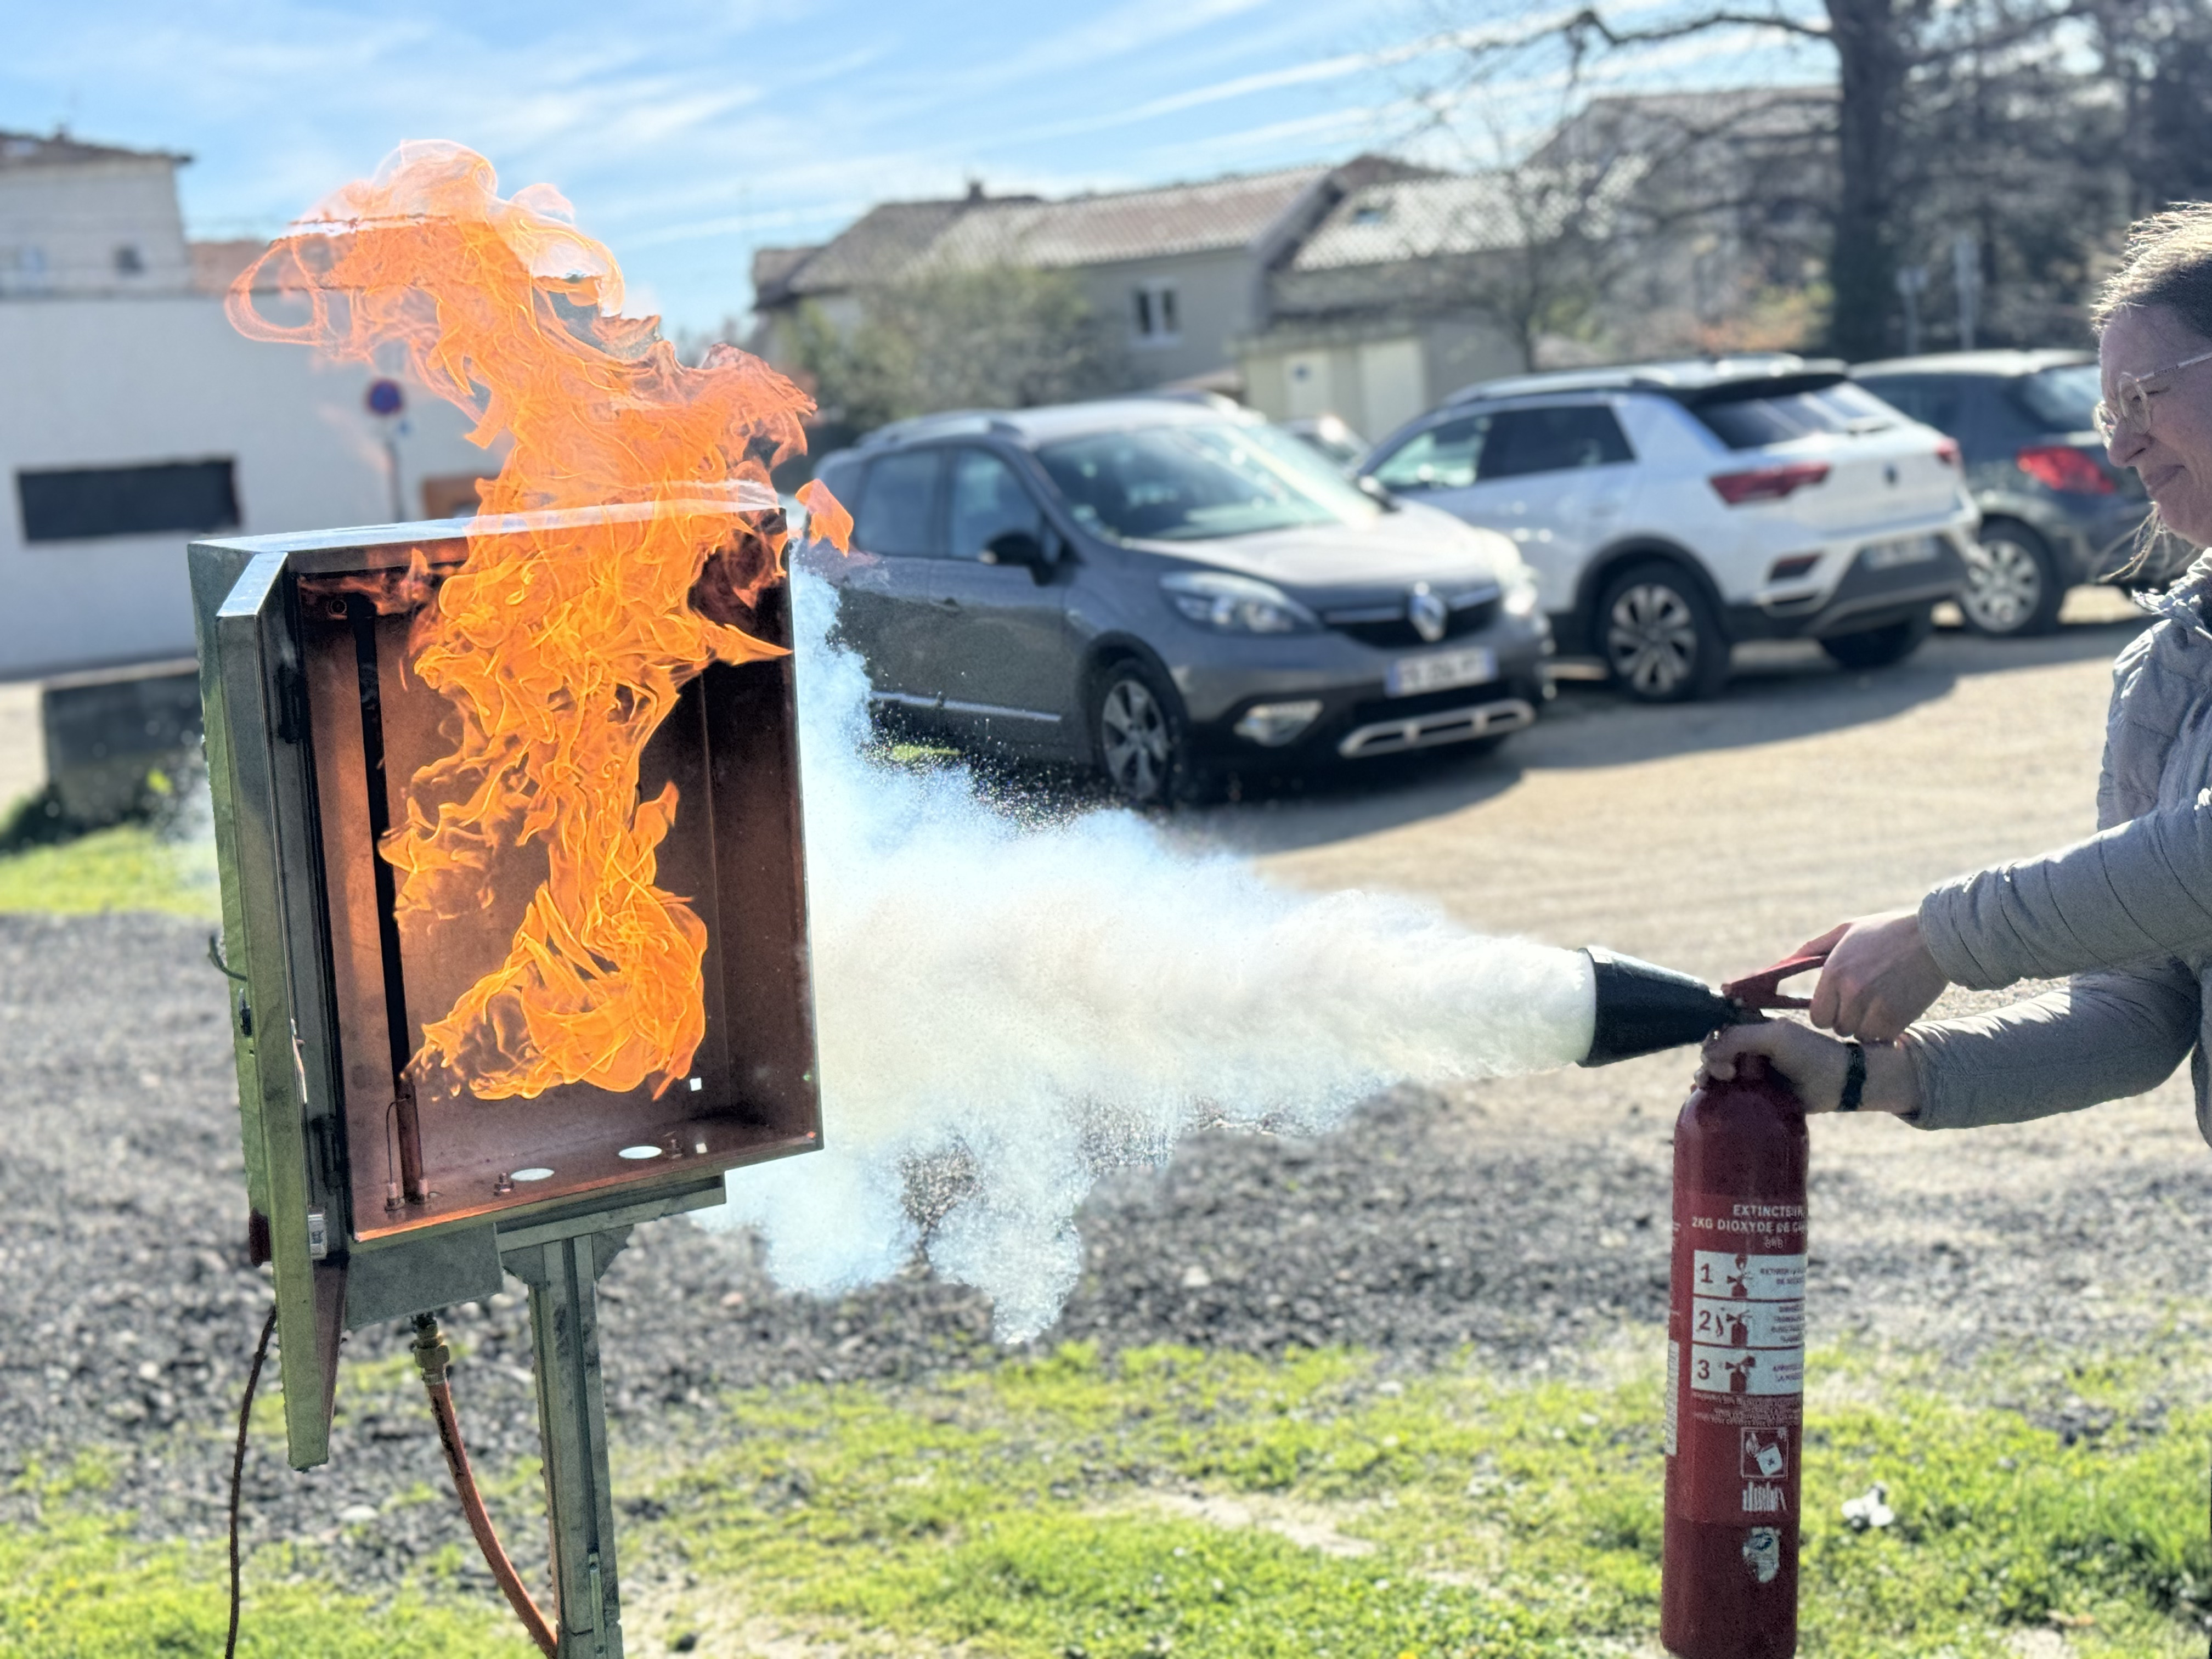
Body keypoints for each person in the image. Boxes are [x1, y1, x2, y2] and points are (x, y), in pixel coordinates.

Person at [1703, 204, 2212, 1135]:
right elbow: (2139, 1009)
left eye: (2143, 398)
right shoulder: (2166, 670)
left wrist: (1939, 935)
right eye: (2110, 413)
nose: (2119, 445)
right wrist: (1870, 1075)